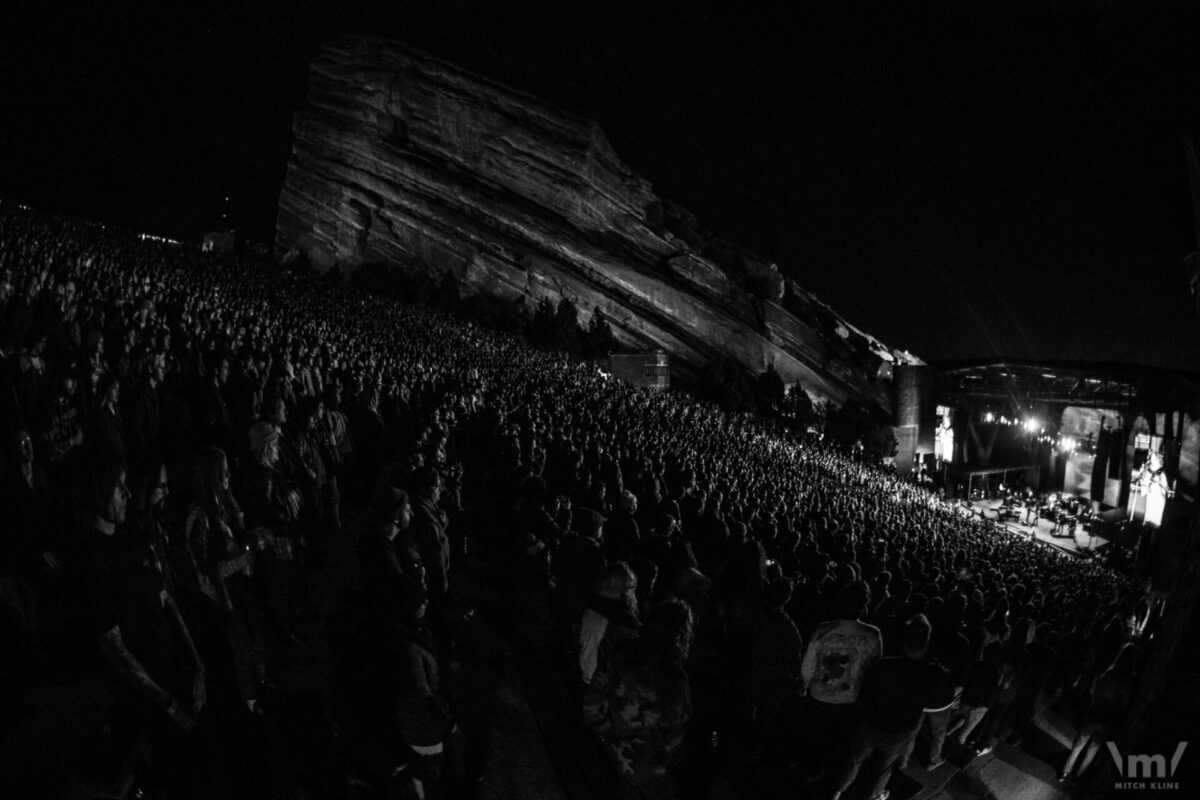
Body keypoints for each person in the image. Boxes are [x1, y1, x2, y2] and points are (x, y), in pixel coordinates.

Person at [829, 615, 953, 800]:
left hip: (872, 724)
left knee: (854, 761)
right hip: (900, 730)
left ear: (904, 640)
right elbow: (944, 674)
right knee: (885, 768)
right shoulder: (932, 673)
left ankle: (837, 792)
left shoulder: (884, 665)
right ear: (926, 642)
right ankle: (874, 795)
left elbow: (865, 693)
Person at [584, 598, 693, 800]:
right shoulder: (672, 675)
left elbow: (593, 698)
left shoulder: (619, 652)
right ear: (680, 634)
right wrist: (671, 759)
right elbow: (677, 729)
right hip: (650, 761)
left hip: (615, 748)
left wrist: (602, 729)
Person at [1059, 643, 1137, 782]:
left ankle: (1065, 771)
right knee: (1093, 749)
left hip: (1094, 712)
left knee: (1079, 744)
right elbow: (1126, 702)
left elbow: (1093, 691)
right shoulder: (1125, 680)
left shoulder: (1107, 674)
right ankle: (1079, 776)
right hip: (1107, 717)